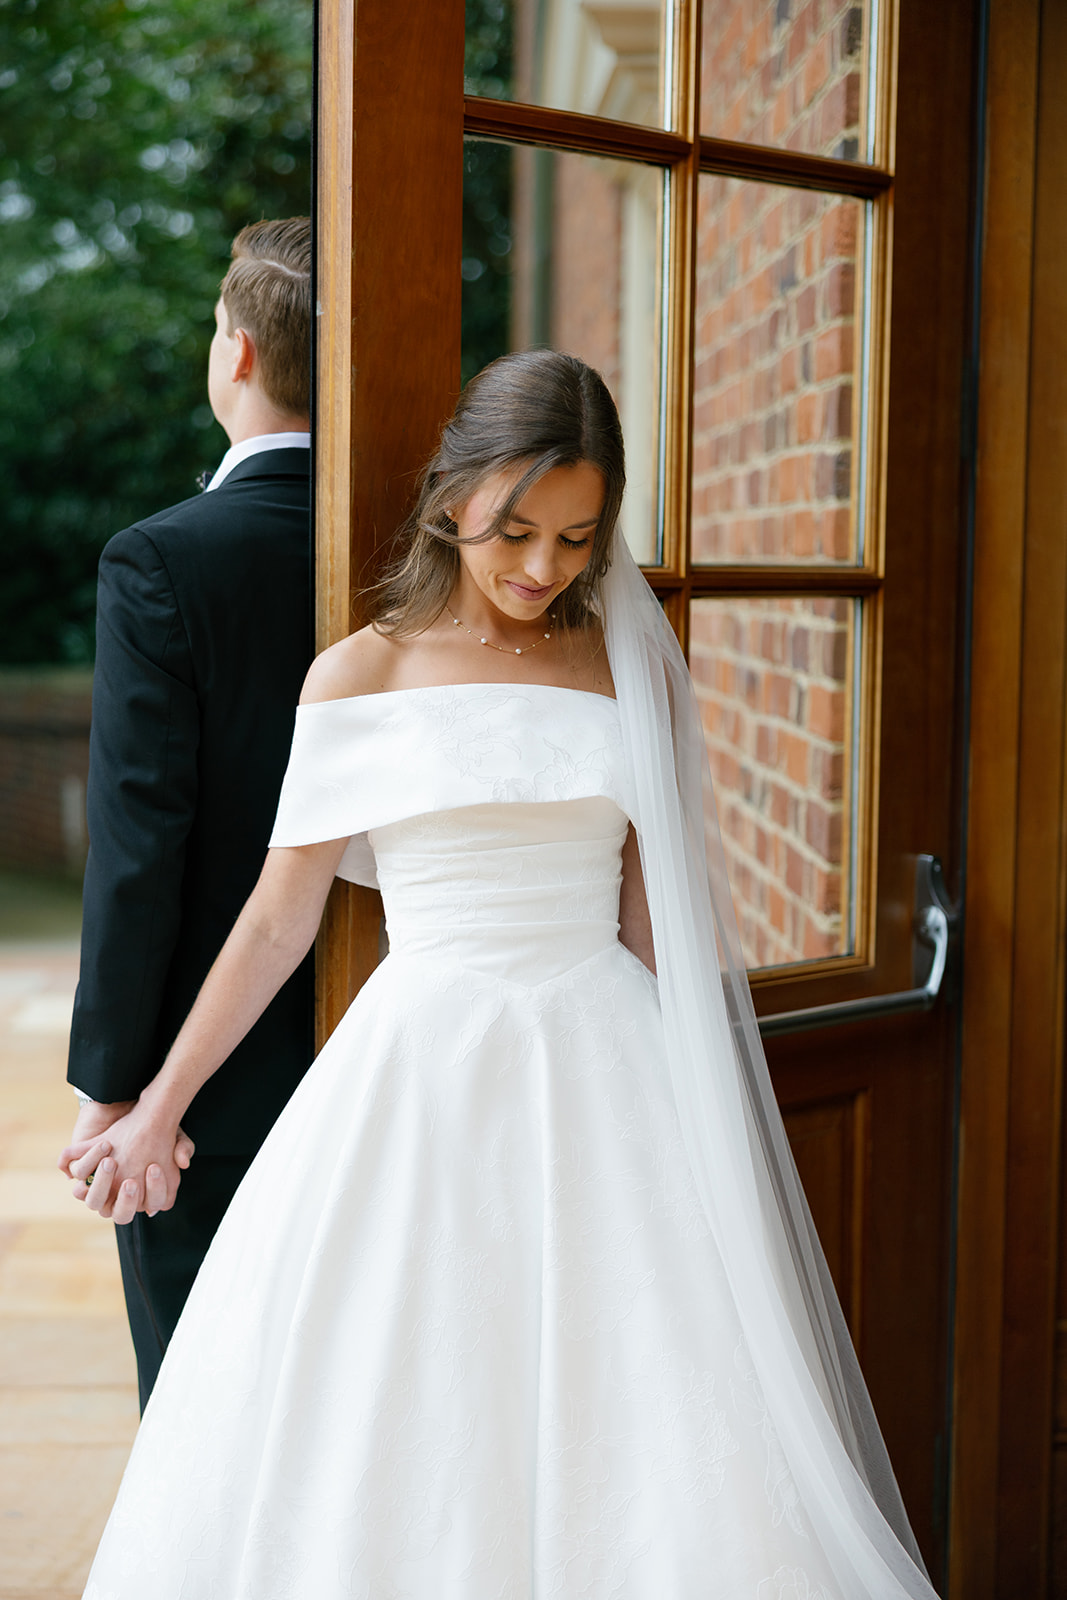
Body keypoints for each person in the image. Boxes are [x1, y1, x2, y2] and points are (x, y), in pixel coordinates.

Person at [69, 350, 939, 1598]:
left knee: (645, 1402)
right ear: (449, 500)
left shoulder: (628, 664)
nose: (542, 568)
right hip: (418, 1071)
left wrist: (714, 1111)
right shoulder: (359, 672)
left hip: (609, 1065)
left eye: (577, 539)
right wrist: (157, 1101)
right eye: (515, 530)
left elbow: (659, 917)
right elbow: (277, 918)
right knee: (408, 1395)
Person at [61, 218, 316, 1410]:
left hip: (206, 1073)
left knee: (208, 1408)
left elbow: (137, 848)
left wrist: (120, 1087)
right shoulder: (439, 547)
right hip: (400, 1027)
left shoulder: (162, 560)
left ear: (242, 355)